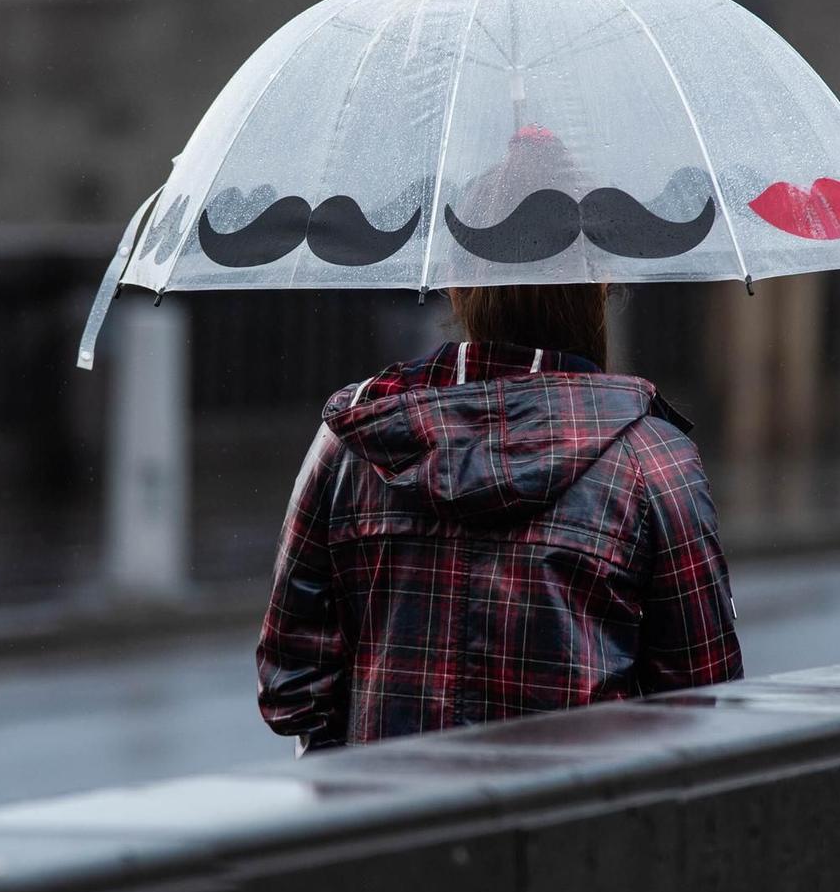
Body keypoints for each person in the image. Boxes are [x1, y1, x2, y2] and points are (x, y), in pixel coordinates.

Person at [256, 282, 743, 752]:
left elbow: (290, 686)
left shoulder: (354, 444)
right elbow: (703, 694)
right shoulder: (653, 460)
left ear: (457, 287)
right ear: (600, 286)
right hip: (580, 819)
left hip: (392, 822)